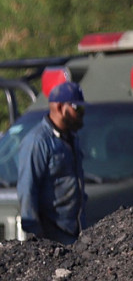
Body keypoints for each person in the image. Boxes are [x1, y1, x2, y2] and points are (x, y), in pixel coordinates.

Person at [17, 81, 88, 244]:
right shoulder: (37, 142)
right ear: (59, 107)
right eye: (78, 108)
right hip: (52, 237)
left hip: (75, 233)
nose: (82, 113)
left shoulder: (71, 138)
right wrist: (36, 239)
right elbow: (28, 190)